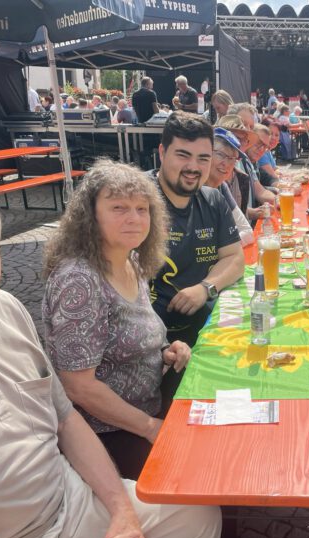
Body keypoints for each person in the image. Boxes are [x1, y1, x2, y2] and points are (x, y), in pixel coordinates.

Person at [0, 173, 222, 538]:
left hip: (71, 501)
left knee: (196, 516)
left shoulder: (3, 308)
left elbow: (66, 418)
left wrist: (123, 511)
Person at [42, 160, 189, 480]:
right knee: (196, 471)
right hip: (104, 434)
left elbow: (129, 336)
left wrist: (164, 350)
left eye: (142, 208)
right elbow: (78, 387)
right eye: (118, 207)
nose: (134, 218)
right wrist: (150, 428)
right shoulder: (79, 280)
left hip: (148, 407)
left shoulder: (131, 261)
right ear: (90, 216)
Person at [148, 112, 245, 348]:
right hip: (150, 342)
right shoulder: (138, 202)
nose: (193, 167)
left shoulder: (213, 199)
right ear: (162, 153)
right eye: (183, 155)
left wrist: (205, 288)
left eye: (203, 158)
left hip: (204, 329)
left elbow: (235, 258)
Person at [206, 128, 255, 247]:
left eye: (232, 158)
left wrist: (220, 247)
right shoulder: (191, 187)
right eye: (220, 154)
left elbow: (248, 232)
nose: (226, 163)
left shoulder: (221, 187)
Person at [257, 119, 280, 187]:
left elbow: (275, 169)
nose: (273, 138)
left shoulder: (268, 151)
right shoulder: (261, 153)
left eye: (276, 135)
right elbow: (273, 175)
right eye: (270, 133)